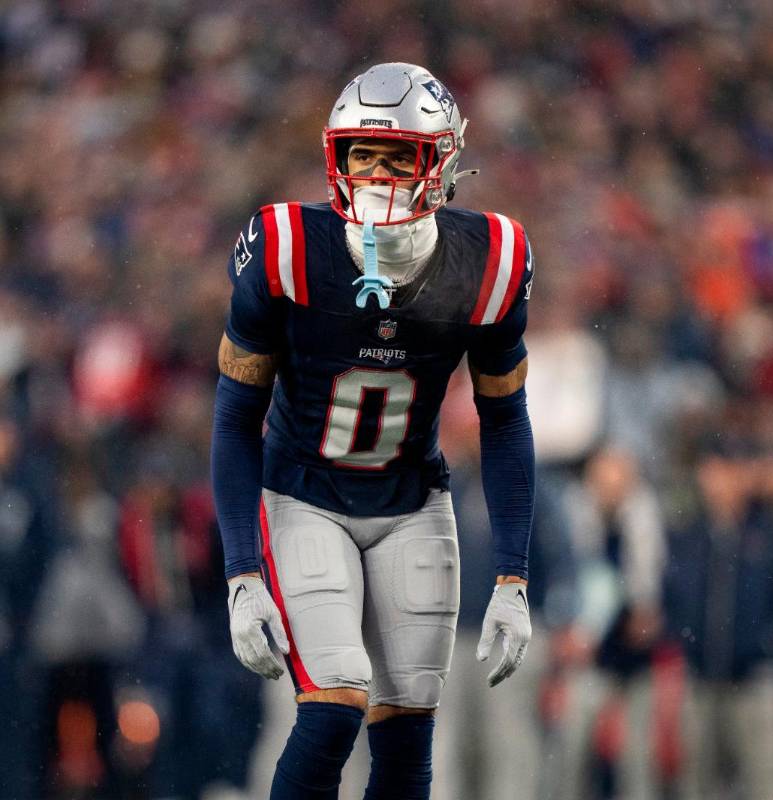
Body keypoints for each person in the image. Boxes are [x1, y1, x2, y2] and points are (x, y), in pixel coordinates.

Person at [211, 62, 536, 800]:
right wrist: (241, 573)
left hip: (413, 501)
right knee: (334, 705)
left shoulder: (490, 259)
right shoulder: (287, 246)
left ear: (442, 162)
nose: (379, 175)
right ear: (337, 159)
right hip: (303, 495)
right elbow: (235, 417)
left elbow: (505, 420)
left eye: (400, 156)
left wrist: (514, 576)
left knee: (407, 732)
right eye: (364, 155)